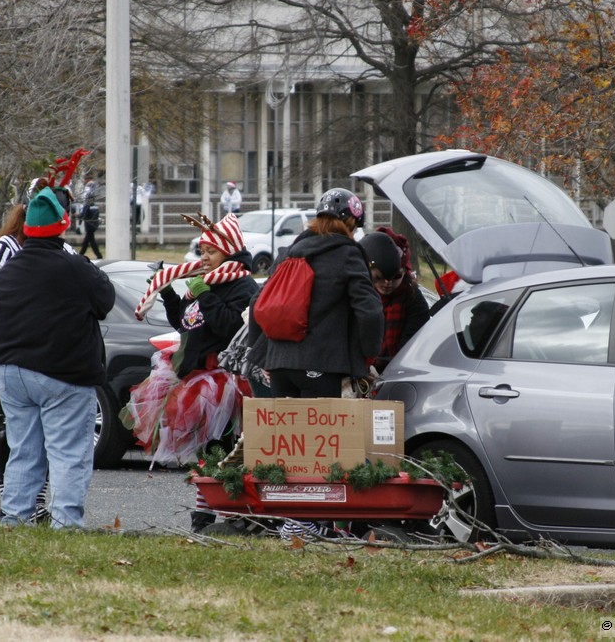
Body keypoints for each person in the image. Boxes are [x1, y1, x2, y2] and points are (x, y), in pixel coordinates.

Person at [125, 211, 259, 532]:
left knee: (225, 452)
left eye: (211, 251)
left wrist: (205, 296)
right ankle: (204, 516)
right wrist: (170, 293)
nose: (205, 257)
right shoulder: (204, 283)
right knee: (206, 453)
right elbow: (187, 324)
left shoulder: (242, 285)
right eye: (202, 251)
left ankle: (233, 514)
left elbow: (230, 326)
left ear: (228, 250)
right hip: (194, 376)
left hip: (224, 382)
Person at [0, 188, 115, 529]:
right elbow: (105, 301)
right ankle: (65, 524)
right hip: (64, 374)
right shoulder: (76, 267)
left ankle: (14, 518)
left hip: (12, 373)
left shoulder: (10, 269)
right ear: (63, 225)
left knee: (23, 451)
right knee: (68, 454)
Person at [250, 188, 383, 398]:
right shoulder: (347, 253)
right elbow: (370, 311)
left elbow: (257, 302)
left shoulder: (289, 253)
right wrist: (368, 355)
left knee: (286, 431)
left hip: (278, 366)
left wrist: (265, 355)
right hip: (321, 364)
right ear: (350, 223)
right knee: (321, 431)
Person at [359, 229, 431, 374]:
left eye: (396, 276)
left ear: (406, 273)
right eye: (379, 277)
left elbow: (410, 349)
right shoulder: (359, 295)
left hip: (398, 372)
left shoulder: (413, 299)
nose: (387, 282)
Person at [78, 193, 102, 259]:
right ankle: (80, 255)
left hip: (89, 226)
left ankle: (99, 255)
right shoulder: (95, 206)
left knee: (92, 242)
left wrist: (77, 215)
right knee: (86, 242)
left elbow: (83, 215)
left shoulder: (87, 206)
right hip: (94, 225)